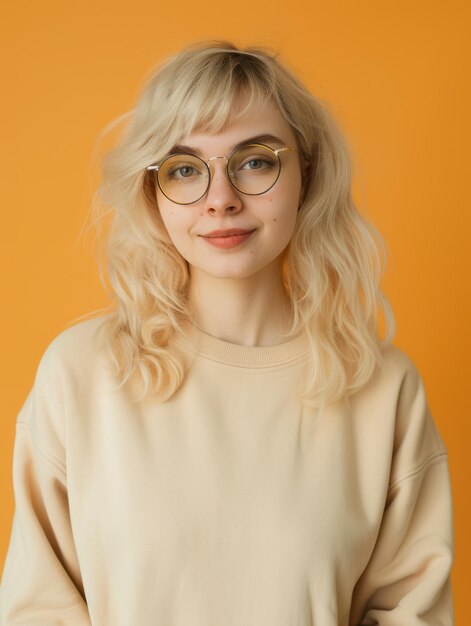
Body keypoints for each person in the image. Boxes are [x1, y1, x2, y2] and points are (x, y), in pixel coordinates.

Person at [0, 40, 454, 625]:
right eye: (185, 169)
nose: (221, 200)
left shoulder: (384, 388)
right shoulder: (82, 373)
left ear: (306, 174)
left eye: (255, 161)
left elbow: (409, 612)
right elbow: (38, 609)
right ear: (151, 191)